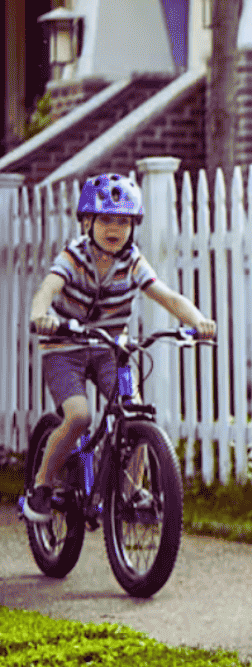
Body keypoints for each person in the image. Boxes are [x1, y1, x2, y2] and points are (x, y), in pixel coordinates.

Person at [21, 173, 217, 523]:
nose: (115, 228)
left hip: (109, 348)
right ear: (87, 222)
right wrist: (40, 315)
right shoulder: (74, 255)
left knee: (136, 414)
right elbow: (48, 288)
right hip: (64, 347)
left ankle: (130, 493)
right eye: (106, 219)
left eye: (124, 221)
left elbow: (167, 296)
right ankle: (42, 485)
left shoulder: (132, 261)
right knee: (78, 416)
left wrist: (199, 321)